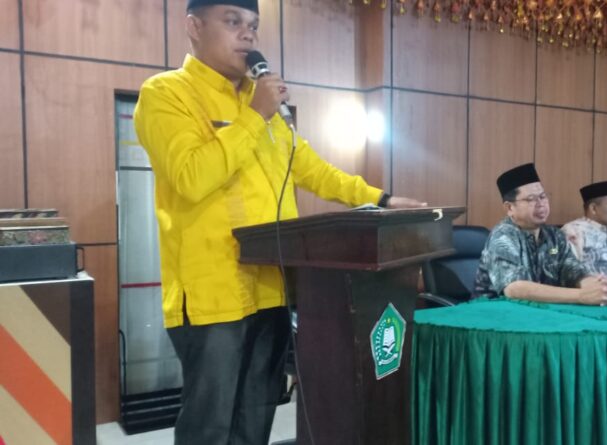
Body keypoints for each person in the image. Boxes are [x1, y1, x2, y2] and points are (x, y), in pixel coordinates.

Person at [133, 1, 425, 443]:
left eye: (253, 25)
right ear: (194, 26)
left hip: (271, 286)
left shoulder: (261, 106)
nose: (248, 35)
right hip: (212, 295)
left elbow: (313, 170)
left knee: (256, 418)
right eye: (232, 22)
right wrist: (254, 116)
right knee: (210, 426)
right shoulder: (166, 94)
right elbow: (191, 177)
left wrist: (381, 199)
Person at [472, 163, 607, 306]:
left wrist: (595, 285)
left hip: (537, 310)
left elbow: (572, 270)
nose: (541, 204)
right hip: (493, 312)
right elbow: (515, 288)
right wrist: (581, 296)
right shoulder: (503, 236)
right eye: (531, 199)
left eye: (543, 197)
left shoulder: (554, 235)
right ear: (510, 208)